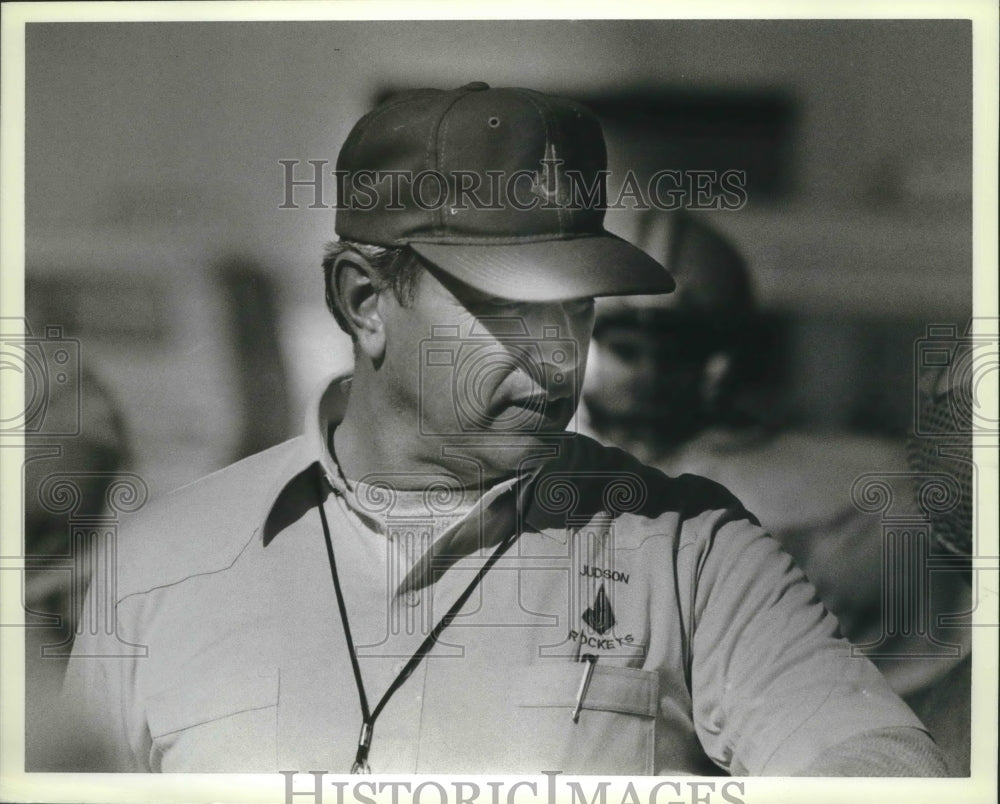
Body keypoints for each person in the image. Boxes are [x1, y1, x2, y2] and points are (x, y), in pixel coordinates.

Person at [62, 82, 947, 775]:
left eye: (578, 306)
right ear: (365, 302)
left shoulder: (690, 552)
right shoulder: (155, 569)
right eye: (511, 308)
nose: (562, 354)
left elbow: (871, 763)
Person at [580, 208, 971, 774]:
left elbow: (902, 705)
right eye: (626, 347)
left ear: (721, 355)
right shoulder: (542, 475)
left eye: (672, 348)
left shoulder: (848, 492)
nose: (647, 374)